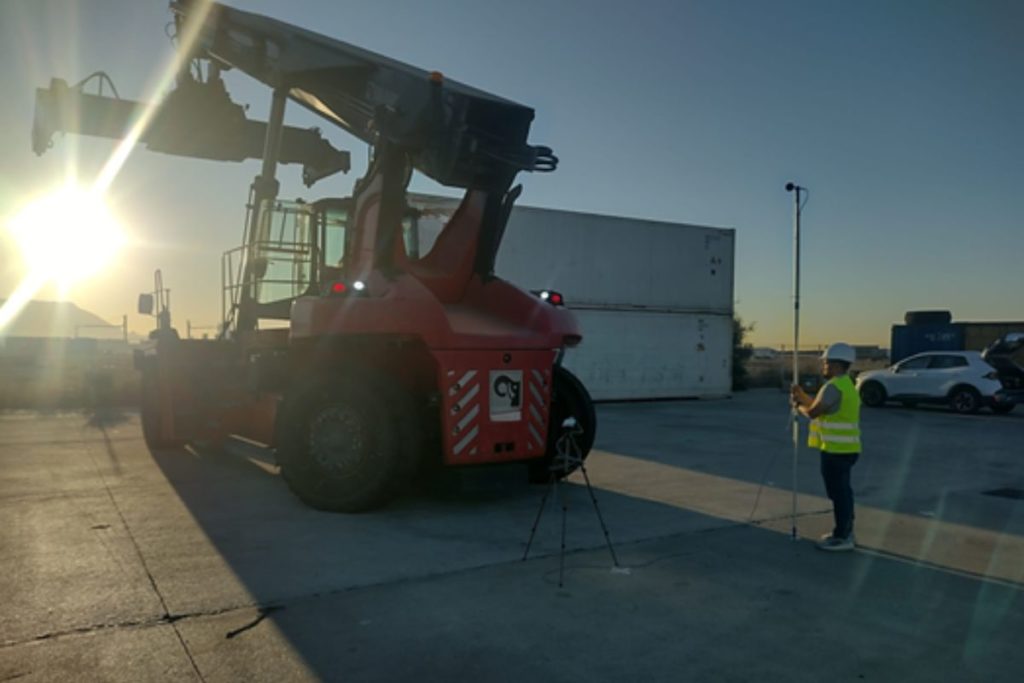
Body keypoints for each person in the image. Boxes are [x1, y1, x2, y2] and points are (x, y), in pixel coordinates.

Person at [791, 342, 861, 552]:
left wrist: (798, 405)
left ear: (836, 364)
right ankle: (845, 530)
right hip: (846, 449)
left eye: (826, 362)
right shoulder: (845, 384)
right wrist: (802, 396)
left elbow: (813, 413)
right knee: (842, 492)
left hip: (837, 450)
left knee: (839, 493)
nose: (823, 365)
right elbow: (819, 407)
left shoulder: (833, 387)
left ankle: (843, 536)